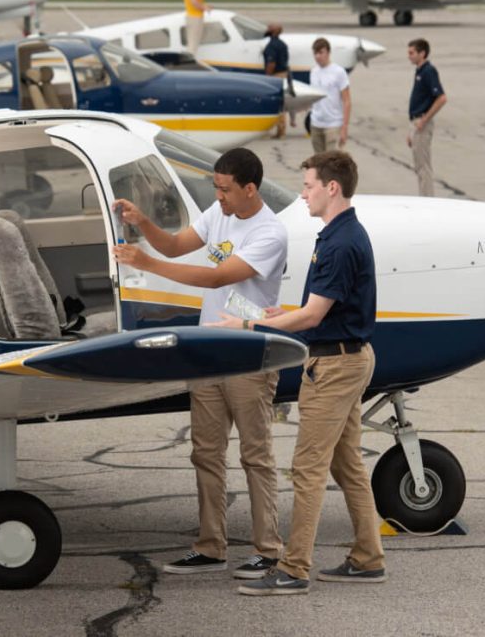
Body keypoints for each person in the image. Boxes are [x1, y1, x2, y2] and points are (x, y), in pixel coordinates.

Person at [214, 150, 386, 596]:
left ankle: (293, 569)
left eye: (308, 185)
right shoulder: (337, 235)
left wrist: (250, 324)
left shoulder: (342, 241)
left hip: (335, 367)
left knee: (308, 468)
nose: (303, 193)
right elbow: (319, 312)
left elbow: (311, 318)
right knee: (347, 465)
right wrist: (279, 313)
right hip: (345, 357)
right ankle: (368, 558)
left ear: (332, 188)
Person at [112, 147, 288, 580]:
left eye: (225, 189)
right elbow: (174, 245)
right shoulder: (218, 213)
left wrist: (146, 263)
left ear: (250, 189)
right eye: (215, 187)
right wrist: (143, 223)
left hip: (247, 353)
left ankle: (269, 549)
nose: (219, 196)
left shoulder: (270, 233)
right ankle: (211, 546)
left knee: (255, 455)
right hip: (210, 350)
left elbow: (216, 276)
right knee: (205, 453)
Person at [406, 38, 447, 197]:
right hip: (416, 122)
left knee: (423, 165)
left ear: (422, 53)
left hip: (422, 121)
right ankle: (424, 196)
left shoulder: (429, 71)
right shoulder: (419, 71)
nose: (409, 56)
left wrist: (424, 120)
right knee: (418, 164)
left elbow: (441, 98)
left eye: (412, 53)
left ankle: (427, 199)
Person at [308, 38, 352, 153]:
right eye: (315, 53)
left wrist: (344, 127)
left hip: (333, 124)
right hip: (316, 123)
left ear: (328, 52)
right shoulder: (313, 72)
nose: (318, 56)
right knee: (318, 162)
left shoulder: (339, 72)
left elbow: (347, 100)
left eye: (321, 52)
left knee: (332, 163)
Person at [263, 24, 291, 139]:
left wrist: (267, 77)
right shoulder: (283, 44)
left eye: (269, 28)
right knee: (282, 105)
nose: (267, 29)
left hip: (275, 76)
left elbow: (271, 63)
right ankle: (281, 130)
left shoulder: (271, 46)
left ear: (273, 32)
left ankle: (280, 131)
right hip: (283, 74)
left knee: (277, 105)